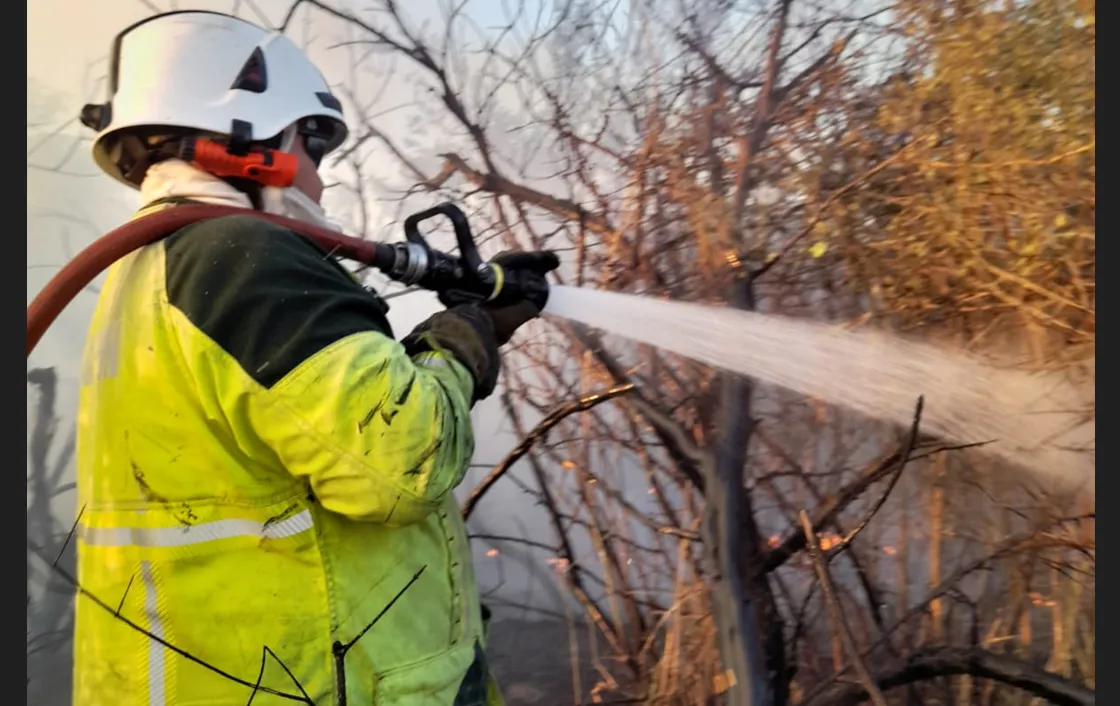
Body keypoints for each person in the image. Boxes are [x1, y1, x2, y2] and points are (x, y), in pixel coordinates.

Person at [72, 10, 556, 705]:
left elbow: (320, 427)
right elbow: (401, 460)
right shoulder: (240, 253)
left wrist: (467, 327)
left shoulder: (153, 268)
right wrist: (465, 338)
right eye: (314, 149)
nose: (320, 183)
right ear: (259, 137)